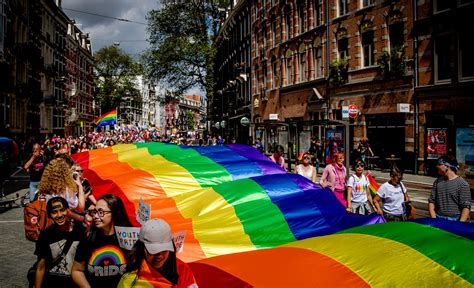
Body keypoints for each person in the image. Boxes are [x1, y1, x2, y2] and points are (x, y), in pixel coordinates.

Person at [71, 194, 132, 288]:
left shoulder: (129, 238)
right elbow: (77, 270)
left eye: (101, 212)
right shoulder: (88, 238)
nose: (95, 216)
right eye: (95, 212)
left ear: (114, 213)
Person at [117, 218, 198, 288]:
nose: (159, 256)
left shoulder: (183, 270)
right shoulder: (129, 280)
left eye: (164, 250)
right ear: (142, 248)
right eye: (154, 250)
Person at [34, 197, 85, 288]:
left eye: (62, 210)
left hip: (75, 283)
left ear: (68, 210)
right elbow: (41, 266)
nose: (59, 215)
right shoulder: (45, 235)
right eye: (54, 212)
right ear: (49, 215)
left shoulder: (80, 231)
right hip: (52, 283)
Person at [428, 155, 471, 222]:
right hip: (438, 218)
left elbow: (466, 207)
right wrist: (434, 219)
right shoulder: (437, 182)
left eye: (439, 164)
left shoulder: (462, 184)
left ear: (447, 166)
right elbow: (431, 201)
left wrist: (460, 224)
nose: (437, 166)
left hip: (455, 220)